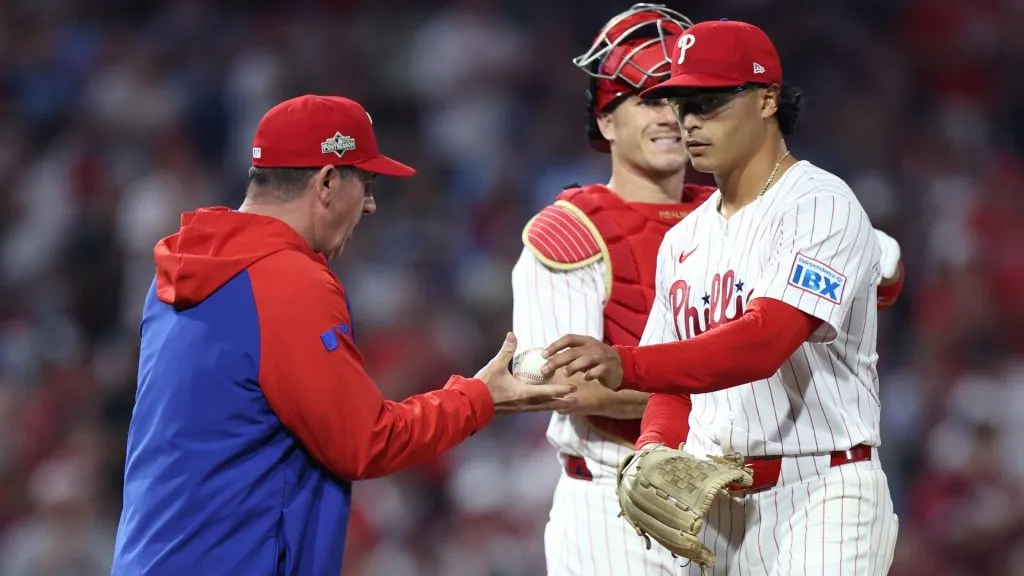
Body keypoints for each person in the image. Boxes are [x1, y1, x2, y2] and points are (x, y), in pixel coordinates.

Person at [509, 9, 904, 576]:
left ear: (767, 100)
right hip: (709, 503)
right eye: (681, 103)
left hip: (820, 486)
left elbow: (764, 342)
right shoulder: (687, 237)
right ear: (605, 121)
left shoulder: (818, 202)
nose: (687, 121)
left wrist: (625, 364)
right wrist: (653, 449)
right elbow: (668, 390)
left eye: (710, 102)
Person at [110, 94, 574, 576]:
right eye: (367, 183)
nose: (370, 204)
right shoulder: (286, 279)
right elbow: (364, 442)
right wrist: (481, 398)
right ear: (328, 181)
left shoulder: (182, 271)